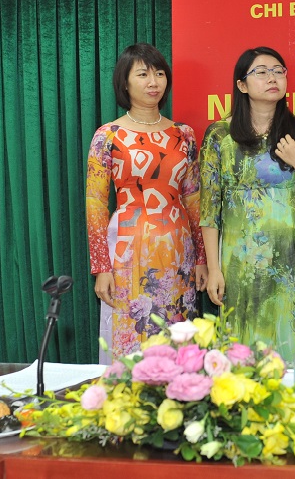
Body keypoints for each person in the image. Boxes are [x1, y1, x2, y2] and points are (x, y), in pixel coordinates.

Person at [199, 47, 295, 360]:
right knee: (242, 352)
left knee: (294, 348)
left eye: (279, 71)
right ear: (241, 85)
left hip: (292, 262)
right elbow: (209, 210)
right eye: (261, 72)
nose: (272, 78)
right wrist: (214, 269)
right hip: (240, 263)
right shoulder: (220, 135)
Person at [86, 43, 208, 363]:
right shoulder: (107, 136)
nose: (153, 82)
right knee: (130, 337)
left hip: (178, 250)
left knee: (178, 340)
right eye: (142, 74)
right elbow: (95, 204)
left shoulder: (184, 135)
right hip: (127, 249)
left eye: (159, 74)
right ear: (124, 83)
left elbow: (194, 199)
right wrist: (101, 268)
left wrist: (202, 258)